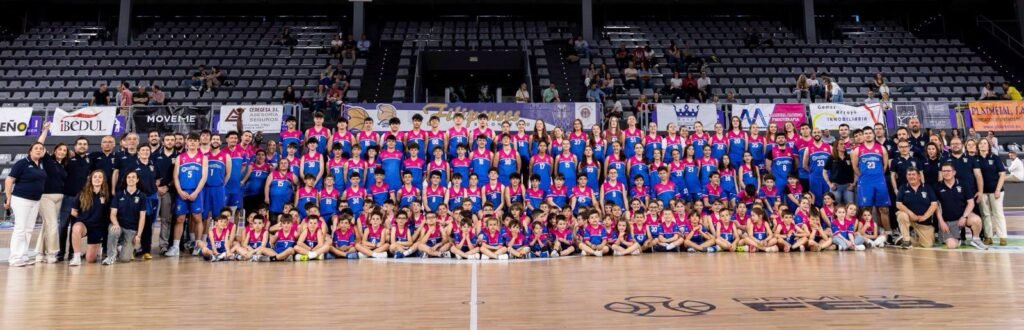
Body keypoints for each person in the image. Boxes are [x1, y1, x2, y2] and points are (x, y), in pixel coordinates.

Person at [4, 141, 48, 267]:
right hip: (21, 199)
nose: (38, 150)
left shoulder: (41, 164)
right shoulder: (22, 163)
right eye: (36, 148)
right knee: (20, 228)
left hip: (36, 200)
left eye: (41, 148)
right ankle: (14, 258)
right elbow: (9, 180)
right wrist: (8, 198)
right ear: (30, 151)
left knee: (28, 229)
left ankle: (23, 256)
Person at [168, 133, 208, 257]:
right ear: (187, 142)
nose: (192, 143)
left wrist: (196, 192)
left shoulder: (203, 158)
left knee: (197, 218)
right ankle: (175, 247)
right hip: (182, 191)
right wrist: (179, 191)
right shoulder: (181, 157)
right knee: (179, 219)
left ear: (198, 143)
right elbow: (175, 176)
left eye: (195, 141)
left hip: (196, 191)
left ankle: (197, 245)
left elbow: (204, 177)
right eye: (190, 140)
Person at [851, 126, 891, 241]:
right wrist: (864, 176)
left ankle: (887, 234)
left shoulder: (881, 149)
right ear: (863, 136)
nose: (868, 135)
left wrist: (877, 175)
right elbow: (855, 167)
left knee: (883, 209)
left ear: (873, 135)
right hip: (865, 183)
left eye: (870, 133)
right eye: (866, 133)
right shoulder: (857, 150)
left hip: (879, 182)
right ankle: (865, 234)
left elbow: (885, 166)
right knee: (866, 209)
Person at [33, 123, 65, 264]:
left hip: (59, 197)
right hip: (46, 197)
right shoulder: (48, 160)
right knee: (52, 224)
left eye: (65, 150)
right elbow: (39, 144)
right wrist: (45, 130)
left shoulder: (63, 165)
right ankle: (52, 253)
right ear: (55, 150)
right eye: (60, 149)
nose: (62, 152)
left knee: (47, 225)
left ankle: (40, 252)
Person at [935, 163, 987, 250]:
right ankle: (957, 237)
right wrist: (941, 222)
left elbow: (971, 203)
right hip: (948, 221)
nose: (946, 173)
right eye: (944, 171)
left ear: (954, 172)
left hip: (963, 217)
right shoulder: (937, 186)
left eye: (948, 171)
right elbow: (936, 207)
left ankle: (976, 239)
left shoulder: (963, 184)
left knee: (976, 220)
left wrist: (964, 217)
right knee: (951, 246)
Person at [67, 170, 110, 266]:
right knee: (76, 227)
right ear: (91, 179)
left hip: (97, 228)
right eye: (95, 177)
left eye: (100, 177)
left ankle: (95, 248)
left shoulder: (107, 196)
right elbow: (73, 211)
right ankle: (76, 257)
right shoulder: (82, 193)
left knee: (90, 259)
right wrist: (83, 217)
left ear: (103, 180)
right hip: (84, 225)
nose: (97, 179)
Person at [104, 171, 147, 265]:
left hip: (131, 229)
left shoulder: (142, 196)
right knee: (114, 230)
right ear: (126, 180)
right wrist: (116, 223)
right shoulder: (119, 195)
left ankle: (121, 246)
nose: (131, 179)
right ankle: (111, 257)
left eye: (133, 177)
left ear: (137, 180)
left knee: (125, 259)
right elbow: (113, 214)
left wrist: (138, 235)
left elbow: (142, 217)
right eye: (128, 177)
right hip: (119, 225)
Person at [894, 168, 938, 248]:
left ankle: (903, 239)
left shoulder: (927, 187)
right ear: (906, 177)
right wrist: (911, 214)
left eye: (913, 174)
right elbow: (898, 204)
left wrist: (924, 216)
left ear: (919, 176)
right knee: (902, 215)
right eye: (909, 175)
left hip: (923, 220)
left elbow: (934, 204)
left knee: (927, 245)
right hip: (909, 217)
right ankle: (906, 240)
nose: (911, 177)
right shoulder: (903, 187)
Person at [976, 139, 1007, 246]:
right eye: (980, 143)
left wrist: (998, 189)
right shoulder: (975, 159)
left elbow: (1002, 174)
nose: (983, 145)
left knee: (998, 213)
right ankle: (988, 237)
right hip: (982, 192)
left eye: (985, 143)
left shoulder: (995, 158)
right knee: (985, 215)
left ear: (989, 146)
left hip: (996, 192)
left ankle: (1002, 237)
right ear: (978, 146)